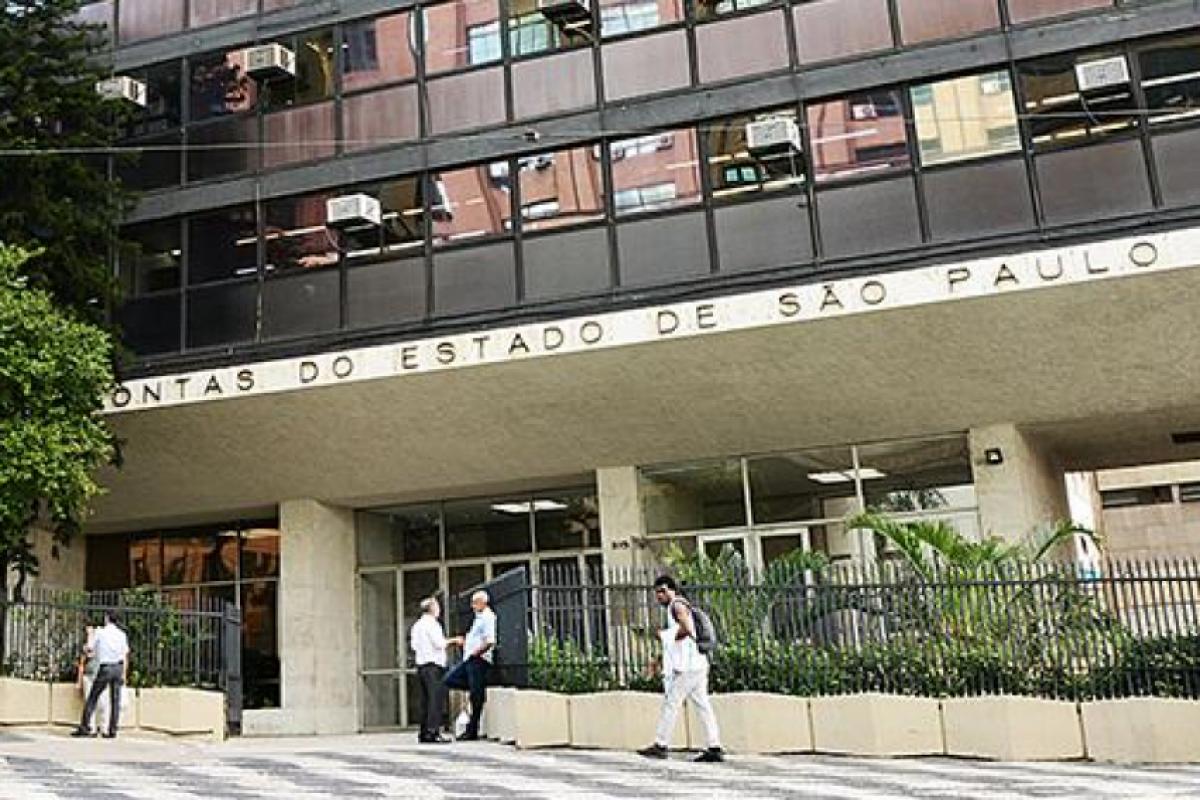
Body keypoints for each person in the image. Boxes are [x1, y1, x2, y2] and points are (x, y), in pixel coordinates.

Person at [638, 575, 724, 763]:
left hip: (689, 667)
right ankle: (714, 746)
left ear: (672, 590)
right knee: (702, 705)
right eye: (657, 592)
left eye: (663, 591)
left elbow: (686, 628)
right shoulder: (678, 606)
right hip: (697, 664)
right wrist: (660, 658)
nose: (659, 596)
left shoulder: (676, 605)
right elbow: (679, 641)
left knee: (671, 702)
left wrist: (664, 635)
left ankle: (661, 744)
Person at [443, 590, 496, 741]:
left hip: (478, 660)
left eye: (475, 603)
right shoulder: (479, 618)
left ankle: (472, 730)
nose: (472, 606)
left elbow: (490, 640)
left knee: (475, 697)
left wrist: (476, 653)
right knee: (450, 679)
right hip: (470, 660)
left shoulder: (487, 617)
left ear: (483, 602)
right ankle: (475, 690)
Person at [410, 597, 462, 744]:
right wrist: (454, 640)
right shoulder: (432, 624)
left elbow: (414, 646)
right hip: (433, 666)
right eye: (437, 607)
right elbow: (439, 643)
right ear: (432, 609)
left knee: (425, 700)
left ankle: (424, 732)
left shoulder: (417, 625)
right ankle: (433, 731)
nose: (439, 610)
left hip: (422, 665)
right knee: (435, 700)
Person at [71, 609, 129, 739]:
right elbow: (125, 653)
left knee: (93, 697)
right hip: (118, 667)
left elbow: (89, 648)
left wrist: (89, 639)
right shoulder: (122, 634)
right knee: (115, 700)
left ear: (107, 618)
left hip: (106, 667)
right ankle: (112, 730)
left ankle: (85, 727)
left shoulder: (100, 632)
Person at [75, 625, 110, 736]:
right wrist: (79, 681)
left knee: (103, 703)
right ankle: (92, 727)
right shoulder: (87, 646)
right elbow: (82, 662)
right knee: (91, 702)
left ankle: (104, 727)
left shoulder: (103, 644)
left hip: (100, 675)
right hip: (90, 675)